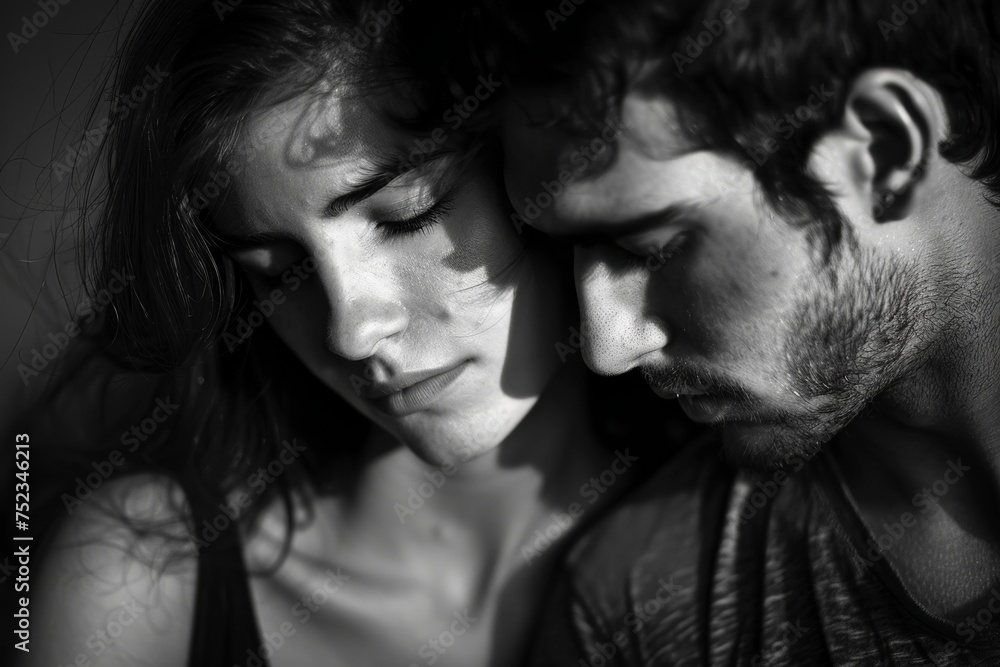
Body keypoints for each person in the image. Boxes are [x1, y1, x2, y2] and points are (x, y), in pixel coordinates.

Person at [11, 1, 678, 666]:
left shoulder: (721, 547)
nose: (350, 332)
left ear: (533, 160)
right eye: (279, 272)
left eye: (409, 216)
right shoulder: (139, 583)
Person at [483, 0, 1000, 663]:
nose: (606, 347)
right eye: (567, 253)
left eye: (649, 247)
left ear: (882, 151)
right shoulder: (640, 606)